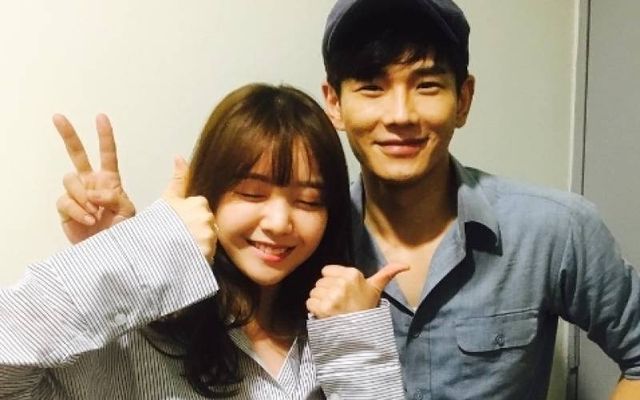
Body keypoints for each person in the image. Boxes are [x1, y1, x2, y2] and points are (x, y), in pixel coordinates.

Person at [318, 0, 640, 399]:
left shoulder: (553, 229)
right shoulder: (309, 243)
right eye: (372, 86)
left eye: (427, 85)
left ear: (464, 99)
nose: (400, 115)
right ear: (334, 103)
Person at [0, 83, 406, 399]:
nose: (280, 223)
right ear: (208, 193)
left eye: (308, 201)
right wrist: (133, 255)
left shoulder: (333, 330)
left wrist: (355, 341)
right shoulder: (141, 338)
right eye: (252, 193)